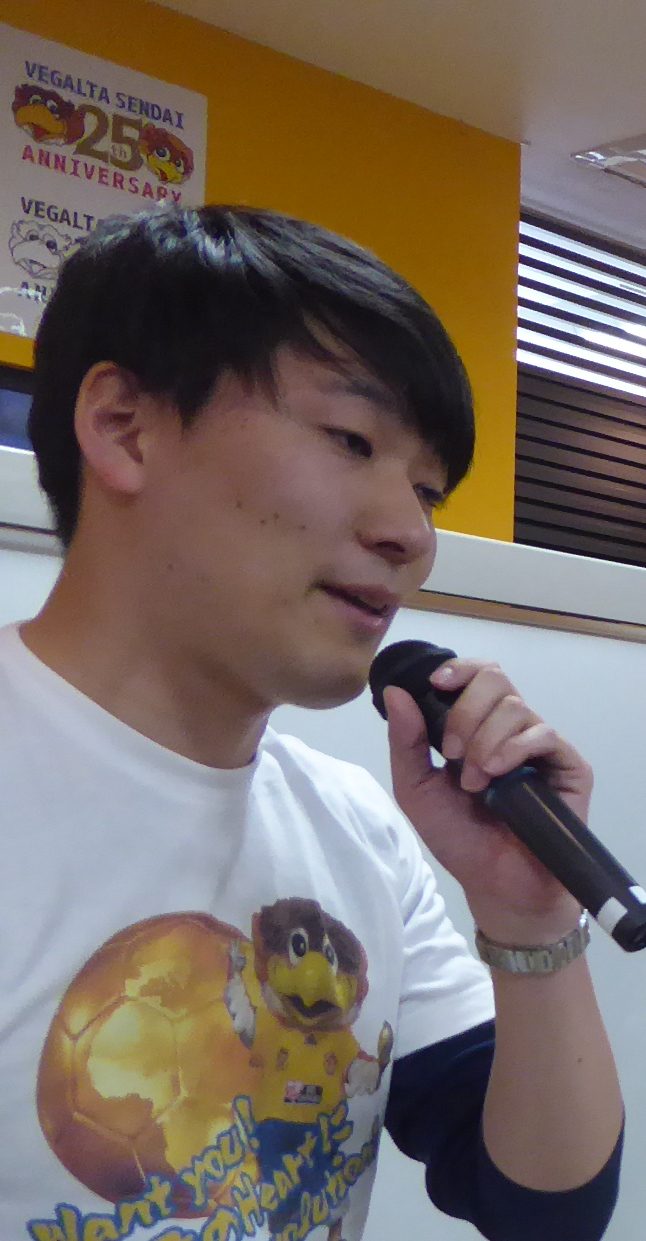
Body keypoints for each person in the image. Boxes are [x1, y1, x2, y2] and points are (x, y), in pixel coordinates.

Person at [1, 205, 623, 1241]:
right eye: (351, 440)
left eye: (427, 489)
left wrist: (532, 923)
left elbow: (543, 1209)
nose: (410, 533)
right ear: (124, 426)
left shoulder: (355, 827)